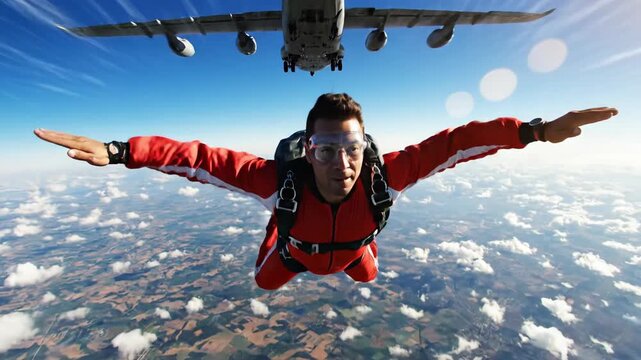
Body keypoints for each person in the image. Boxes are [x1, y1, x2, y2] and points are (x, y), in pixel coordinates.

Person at [34, 93, 618, 290]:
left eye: (352, 149)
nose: (342, 162)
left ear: (366, 150)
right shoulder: (276, 182)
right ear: (307, 150)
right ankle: (277, 234)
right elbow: (197, 158)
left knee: (367, 274)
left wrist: (534, 132)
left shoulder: (385, 176)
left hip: (353, 249)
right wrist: (120, 151)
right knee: (261, 279)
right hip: (292, 253)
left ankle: (348, 253)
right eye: (327, 149)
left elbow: (456, 142)